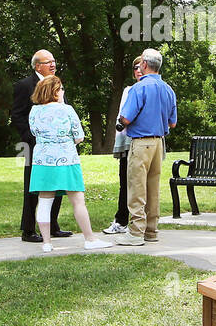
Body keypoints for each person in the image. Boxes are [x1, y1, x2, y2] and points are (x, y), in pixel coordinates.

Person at [27, 76, 112, 253]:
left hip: (42, 161)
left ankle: (47, 243)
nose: (63, 92)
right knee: (77, 200)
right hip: (67, 160)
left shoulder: (34, 111)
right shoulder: (67, 110)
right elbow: (79, 136)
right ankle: (89, 238)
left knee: (44, 200)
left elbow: (34, 132)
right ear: (55, 91)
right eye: (61, 89)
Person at [115, 48, 178, 246]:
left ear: (144, 65)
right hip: (159, 143)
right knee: (153, 188)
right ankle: (151, 230)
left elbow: (126, 117)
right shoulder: (168, 89)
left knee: (136, 188)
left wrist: (122, 121)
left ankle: (135, 233)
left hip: (141, 143)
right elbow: (172, 123)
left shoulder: (139, 88)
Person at [11, 50, 69, 243]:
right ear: (37, 66)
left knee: (57, 184)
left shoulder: (57, 84)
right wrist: (31, 138)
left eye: (54, 61)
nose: (53, 65)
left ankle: (52, 226)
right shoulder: (24, 85)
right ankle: (28, 230)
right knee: (32, 187)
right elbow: (17, 116)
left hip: (58, 147)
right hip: (34, 146)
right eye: (48, 62)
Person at [103, 55, 144, 235]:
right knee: (125, 183)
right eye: (135, 67)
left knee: (144, 184)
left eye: (141, 66)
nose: (138, 71)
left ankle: (143, 224)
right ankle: (121, 221)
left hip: (144, 143)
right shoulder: (128, 90)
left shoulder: (154, 89)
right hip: (127, 143)